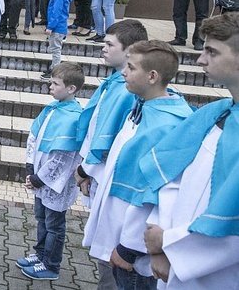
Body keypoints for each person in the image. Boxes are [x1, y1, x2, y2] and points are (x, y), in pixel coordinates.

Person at [82, 40, 193, 289]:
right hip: (120, 236)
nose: (124, 73)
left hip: (134, 253)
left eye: (131, 68)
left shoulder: (164, 126)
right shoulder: (143, 105)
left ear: (152, 76)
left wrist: (129, 248)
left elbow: (153, 194)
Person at [139, 13, 239, 288]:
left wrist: (171, 247)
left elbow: (233, 223)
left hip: (215, 274)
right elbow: (174, 177)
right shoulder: (214, 115)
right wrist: (160, 241)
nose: (200, 60)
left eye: (212, 52)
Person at [74, 19, 148, 290]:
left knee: (111, 248)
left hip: (109, 176)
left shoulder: (128, 90)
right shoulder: (115, 82)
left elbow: (113, 136)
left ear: (130, 51)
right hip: (98, 172)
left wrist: (87, 170)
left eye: (109, 44)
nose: (103, 48)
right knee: (104, 245)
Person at [18, 62, 85, 281]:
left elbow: (64, 158)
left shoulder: (74, 117)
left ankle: (51, 265)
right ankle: (40, 255)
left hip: (55, 184)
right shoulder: (52, 109)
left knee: (55, 225)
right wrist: (30, 167)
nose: (51, 87)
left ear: (71, 89)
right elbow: (34, 137)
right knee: (41, 219)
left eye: (55, 84)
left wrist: (40, 178)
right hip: (39, 178)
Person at [41, 0, 76, 81]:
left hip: (57, 27)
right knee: (56, 48)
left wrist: (50, 27)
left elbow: (55, 12)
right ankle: (53, 67)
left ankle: (55, 71)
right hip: (61, 27)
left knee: (56, 50)